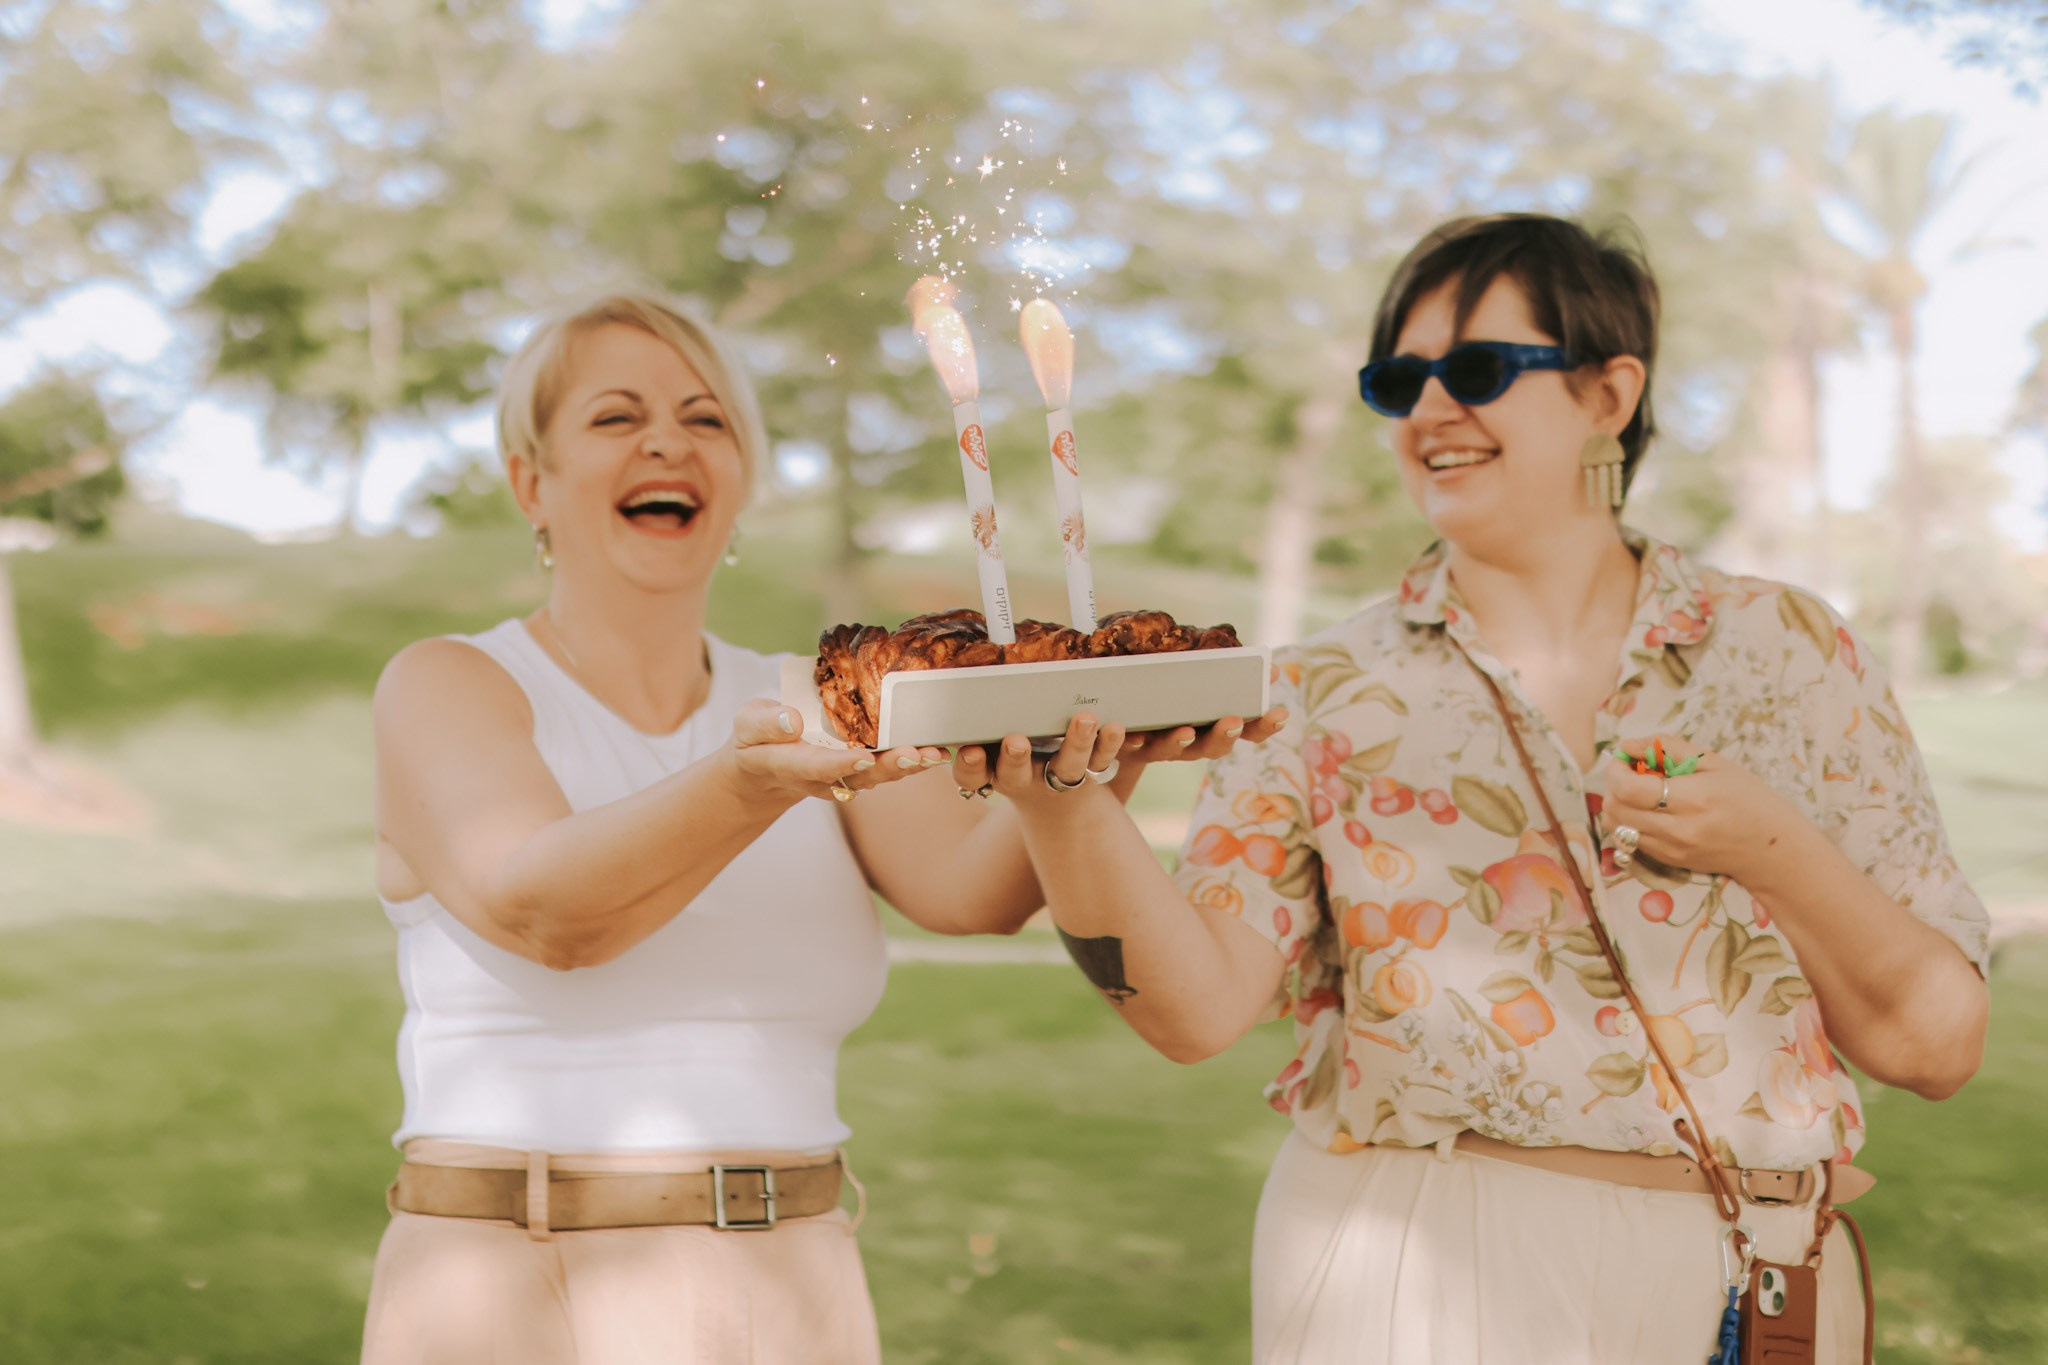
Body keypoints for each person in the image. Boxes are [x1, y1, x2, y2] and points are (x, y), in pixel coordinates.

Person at [988, 214, 1990, 1363]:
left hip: (1757, 1272)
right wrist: (1063, 810)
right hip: (1412, 1263)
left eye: (1474, 370)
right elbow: (1193, 1010)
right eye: (1396, 379)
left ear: (1608, 395)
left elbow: (1936, 1049)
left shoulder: (1789, 648)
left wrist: (1770, 851)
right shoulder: (1317, 688)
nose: (1426, 410)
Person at [360, 292, 1267, 1364]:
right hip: (517, 1276)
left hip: (793, 1281)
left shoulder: (812, 694)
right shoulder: (451, 682)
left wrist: (1082, 766)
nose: (667, 440)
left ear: (740, 479)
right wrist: (747, 788)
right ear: (531, 482)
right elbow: (546, 909)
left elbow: (966, 894)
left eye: (707, 420)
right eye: (614, 418)